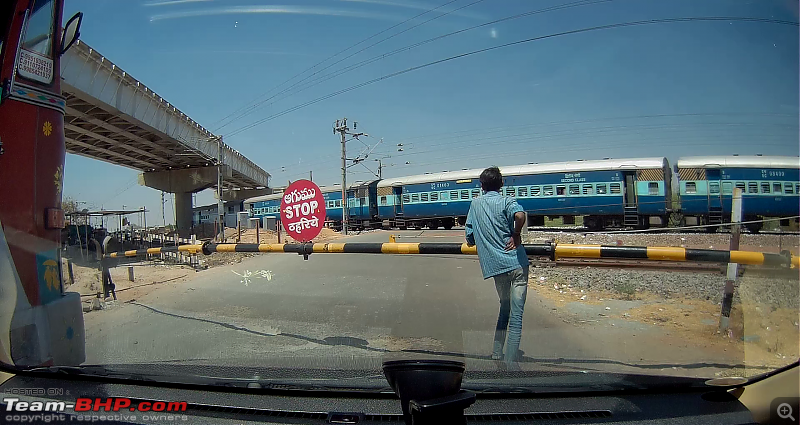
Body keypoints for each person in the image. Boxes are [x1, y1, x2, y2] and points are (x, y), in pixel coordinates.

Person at [465, 166, 529, 369]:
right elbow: (519, 215)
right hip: (517, 264)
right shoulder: (506, 200)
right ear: (501, 184)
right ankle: (510, 363)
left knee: (504, 308)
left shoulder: (475, 204)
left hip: (496, 267)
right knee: (517, 316)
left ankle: (496, 352)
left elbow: (469, 237)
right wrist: (516, 234)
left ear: (481, 186)